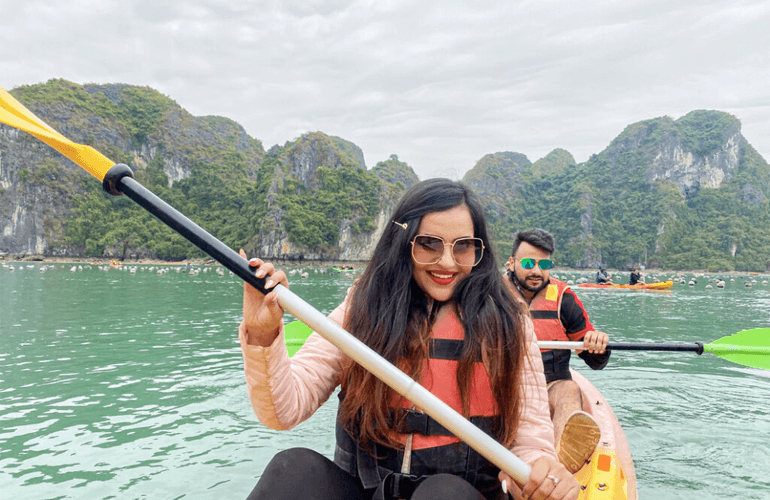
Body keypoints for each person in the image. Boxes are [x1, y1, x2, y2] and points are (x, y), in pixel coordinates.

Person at [239, 180, 580, 500]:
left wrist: (537, 473)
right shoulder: (363, 305)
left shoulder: (510, 321)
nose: (446, 262)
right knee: (293, 470)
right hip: (368, 489)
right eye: (429, 244)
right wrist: (263, 333)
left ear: (480, 249)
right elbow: (282, 411)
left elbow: (531, 442)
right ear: (404, 243)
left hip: (460, 493)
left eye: (463, 247)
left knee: (442, 494)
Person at [504, 229, 610, 474]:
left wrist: (596, 343)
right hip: (504, 387)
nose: (536, 271)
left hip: (550, 386)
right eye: (528, 263)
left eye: (544, 264)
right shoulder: (491, 295)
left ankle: (557, 466)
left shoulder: (565, 299)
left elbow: (596, 362)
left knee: (569, 389)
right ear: (511, 263)